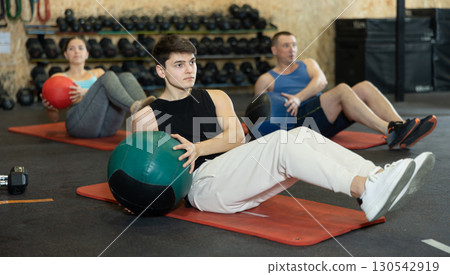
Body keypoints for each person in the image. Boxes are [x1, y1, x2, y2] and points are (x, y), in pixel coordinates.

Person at [132, 34, 435, 222]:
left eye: (192, 62)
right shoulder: (149, 115)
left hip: (231, 175)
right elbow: (138, 171)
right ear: (161, 70)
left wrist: (198, 147)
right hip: (199, 187)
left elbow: (237, 138)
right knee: (283, 142)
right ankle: (364, 189)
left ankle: (375, 178)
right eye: (179, 65)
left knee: (302, 134)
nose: (189, 70)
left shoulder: (215, 97)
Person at [254, 31, 437, 149]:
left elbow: (321, 82)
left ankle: (403, 128)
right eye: (286, 46)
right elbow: (259, 118)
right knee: (341, 89)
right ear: (274, 50)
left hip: (325, 116)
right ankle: (389, 131)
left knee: (364, 86)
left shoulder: (308, 64)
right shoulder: (266, 80)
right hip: (302, 124)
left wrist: (298, 98)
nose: (292, 49)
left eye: (294, 45)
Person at [42, 36, 154, 138]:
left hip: (107, 127)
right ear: (66, 54)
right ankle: (135, 108)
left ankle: (149, 111)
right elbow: (55, 118)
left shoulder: (97, 72)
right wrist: (49, 107)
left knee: (126, 76)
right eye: (71, 48)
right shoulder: (58, 77)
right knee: (108, 75)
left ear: (87, 53)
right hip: (79, 125)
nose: (76, 51)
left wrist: (85, 92)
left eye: (80, 48)